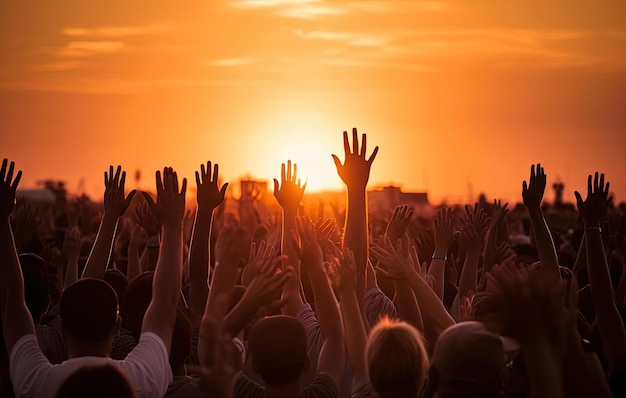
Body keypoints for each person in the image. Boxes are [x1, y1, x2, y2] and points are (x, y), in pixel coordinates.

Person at [1, 161, 186, 398]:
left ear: (63, 329)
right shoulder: (143, 378)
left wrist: (3, 218)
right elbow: (166, 302)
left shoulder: (36, 384)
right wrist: (173, 224)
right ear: (118, 327)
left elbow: (11, 304)